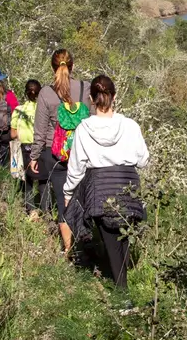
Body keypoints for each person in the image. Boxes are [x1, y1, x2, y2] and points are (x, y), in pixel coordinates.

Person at [63, 75, 149, 289]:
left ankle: (122, 293)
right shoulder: (130, 126)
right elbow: (143, 159)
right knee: (124, 238)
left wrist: (67, 192)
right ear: (114, 97)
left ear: (91, 99)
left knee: (110, 241)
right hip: (128, 184)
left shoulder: (83, 128)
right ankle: (124, 289)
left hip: (99, 187)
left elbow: (76, 167)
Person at [29, 50, 95, 255]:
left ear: (52, 67)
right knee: (82, 197)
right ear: (72, 66)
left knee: (62, 199)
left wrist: (34, 156)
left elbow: (39, 129)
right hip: (82, 151)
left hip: (54, 153)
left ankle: (69, 249)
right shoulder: (85, 88)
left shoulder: (46, 93)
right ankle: (86, 241)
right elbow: (93, 123)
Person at [11, 79, 50, 218]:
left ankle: (31, 210)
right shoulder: (45, 109)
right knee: (43, 180)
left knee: (27, 180)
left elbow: (13, 133)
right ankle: (47, 211)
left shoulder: (19, 110)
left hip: (24, 148)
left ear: (26, 93)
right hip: (42, 148)